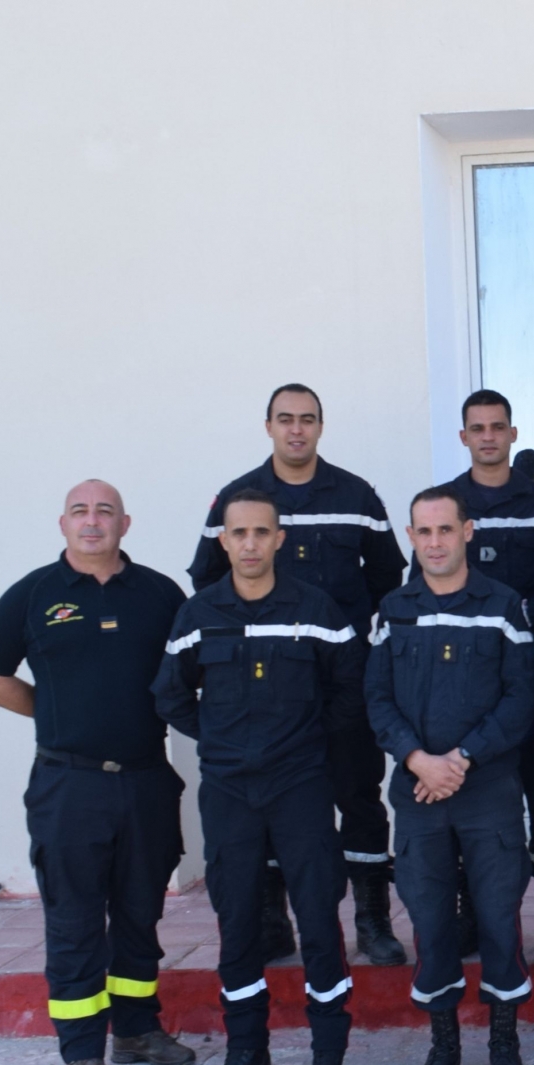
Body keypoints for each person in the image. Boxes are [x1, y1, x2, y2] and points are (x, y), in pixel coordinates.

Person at [0, 480, 197, 1065]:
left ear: (126, 523)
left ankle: (137, 1031)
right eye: (80, 511)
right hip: (68, 785)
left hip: (146, 779)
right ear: (63, 524)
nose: (92, 521)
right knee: (74, 922)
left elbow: (188, 675)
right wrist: (54, 714)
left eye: (104, 511)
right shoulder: (33, 594)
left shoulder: (160, 595)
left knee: (139, 913)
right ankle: (82, 1054)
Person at [154, 489, 363, 1065]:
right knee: (238, 920)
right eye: (238, 533)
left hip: (300, 786)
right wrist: (220, 739)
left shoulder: (315, 608)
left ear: (279, 539)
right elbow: (169, 694)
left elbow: (350, 686)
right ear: (224, 541)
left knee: (318, 917)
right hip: (229, 790)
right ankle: (247, 1053)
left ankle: (328, 1055)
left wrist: (307, 741)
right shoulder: (198, 614)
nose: (250, 544)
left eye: (261, 532)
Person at [188, 384, 407, 967]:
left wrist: (353, 644)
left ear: (320, 426)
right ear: (268, 426)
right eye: (285, 419)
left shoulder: (357, 495)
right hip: (265, 692)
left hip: (343, 684)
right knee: (263, 804)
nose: (296, 430)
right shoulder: (237, 499)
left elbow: (388, 577)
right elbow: (207, 581)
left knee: (358, 797)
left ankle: (372, 920)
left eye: (307, 419)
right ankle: (272, 921)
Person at [368, 487, 534, 1065]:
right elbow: (376, 697)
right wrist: (417, 759)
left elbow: (522, 696)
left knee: (498, 918)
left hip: (487, 790)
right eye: (424, 531)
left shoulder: (503, 605)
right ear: (411, 537)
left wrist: (462, 758)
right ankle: (443, 1049)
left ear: (467, 532)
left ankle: (503, 1046)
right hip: (419, 794)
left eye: (445, 529)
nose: (435, 542)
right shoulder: (393, 611)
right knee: (432, 921)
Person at [437, 390, 534, 960]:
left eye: (498, 427)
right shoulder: (446, 503)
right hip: (466, 679)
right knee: (470, 794)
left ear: (513, 434)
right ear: (463, 437)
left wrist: (515, 621)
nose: (489, 437)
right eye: (478, 428)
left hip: (532, 673)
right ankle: (471, 911)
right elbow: (429, 583)